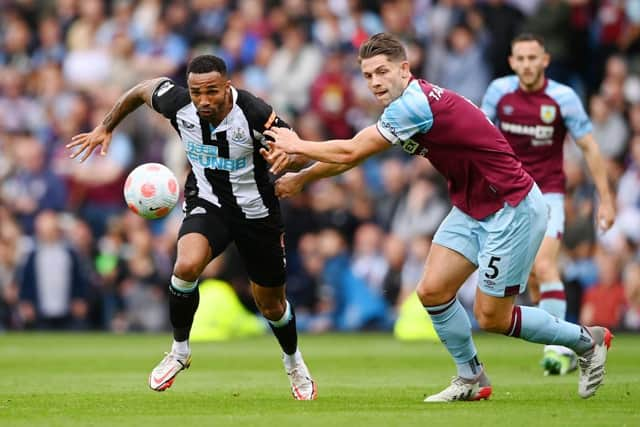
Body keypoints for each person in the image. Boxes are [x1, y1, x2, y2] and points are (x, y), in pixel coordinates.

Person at [263, 33, 613, 402]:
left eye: (382, 71)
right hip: (471, 206)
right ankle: (471, 377)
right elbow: (354, 154)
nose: (375, 82)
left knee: (493, 316)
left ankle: (587, 341)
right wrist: (302, 178)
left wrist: (296, 145)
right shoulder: (404, 106)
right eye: (367, 76)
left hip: (513, 208)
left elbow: (351, 151)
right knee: (432, 291)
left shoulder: (413, 105)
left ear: (404, 69)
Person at [66, 55, 317, 400]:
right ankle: (179, 351)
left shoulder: (254, 111)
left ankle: (293, 362)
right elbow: (141, 90)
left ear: (227, 87)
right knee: (185, 265)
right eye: (197, 92)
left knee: (271, 305)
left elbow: (300, 147)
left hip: (256, 211)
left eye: (211, 91)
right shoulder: (178, 102)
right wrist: (107, 126)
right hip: (207, 202)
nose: (203, 100)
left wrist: (289, 156)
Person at [481, 33, 616, 376]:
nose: (527, 64)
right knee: (533, 279)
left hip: (548, 194)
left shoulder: (562, 97)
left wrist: (606, 199)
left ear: (545, 60)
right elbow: (479, 137)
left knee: (543, 266)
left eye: (533, 58)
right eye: (520, 58)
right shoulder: (498, 92)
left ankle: (557, 351)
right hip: (509, 196)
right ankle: (571, 341)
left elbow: (589, 147)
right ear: (512, 62)